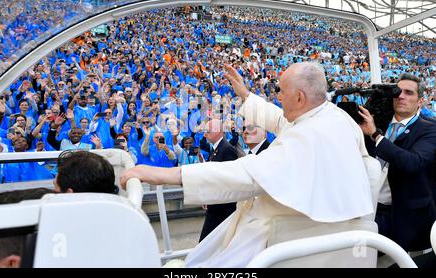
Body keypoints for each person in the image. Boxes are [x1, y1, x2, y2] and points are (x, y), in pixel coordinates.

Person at [120, 62, 374, 267]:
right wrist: (246, 96)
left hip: (278, 236)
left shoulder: (310, 133)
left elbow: (247, 176)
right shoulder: (332, 116)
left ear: (298, 97)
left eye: (281, 92)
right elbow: (282, 121)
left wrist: (161, 175)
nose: (277, 97)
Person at [358, 73, 436, 252]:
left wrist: (375, 135)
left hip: (405, 215)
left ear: (420, 101)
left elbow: (413, 163)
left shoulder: (430, 129)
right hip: (370, 208)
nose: (401, 96)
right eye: (398, 92)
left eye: (409, 93)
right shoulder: (375, 123)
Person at [198, 119, 239, 242]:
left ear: (217, 131)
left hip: (223, 209)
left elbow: (229, 181)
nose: (205, 134)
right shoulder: (217, 149)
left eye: (208, 131)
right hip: (216, 205)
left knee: (207, 243)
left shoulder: (226, 149)